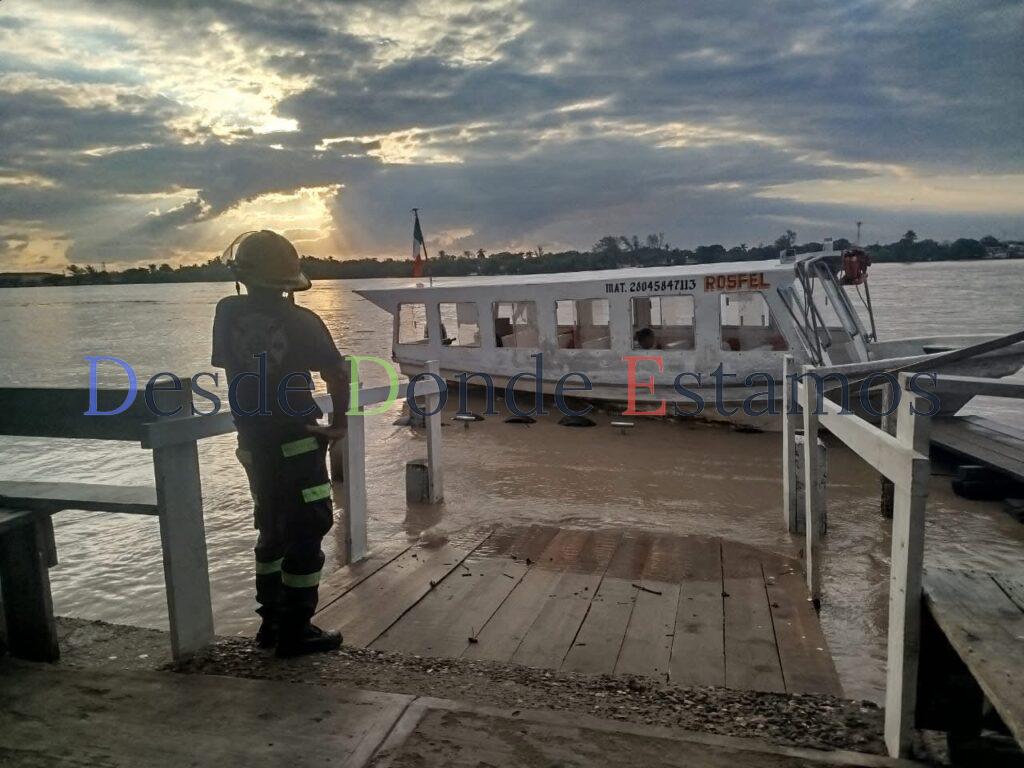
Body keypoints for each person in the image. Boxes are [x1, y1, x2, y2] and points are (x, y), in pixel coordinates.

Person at [212, 230, 350, 657]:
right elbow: (336, 374)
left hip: (252, 443)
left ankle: (269, 624)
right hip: (298, 442)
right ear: (290, 280)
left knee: (270, 526)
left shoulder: (226, 313)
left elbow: (231, 365)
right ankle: (296, 629)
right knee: (308, 527)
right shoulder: (303, 321)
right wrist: (339, 423)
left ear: (242, 273)